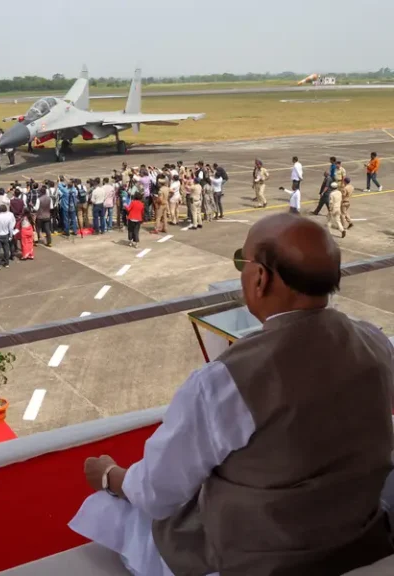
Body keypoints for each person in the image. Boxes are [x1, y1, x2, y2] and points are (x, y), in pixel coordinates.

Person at [70, 213, 394, 576]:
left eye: (244, 260)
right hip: (357, 540)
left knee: (114, 508)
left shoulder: (225, 382)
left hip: (260, 559)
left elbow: (156, 494)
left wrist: (109, 475)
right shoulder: (376, 344)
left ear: (260, 278)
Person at [0, 204, 15, 270]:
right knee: (6, 249)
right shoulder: (9, 217)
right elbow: (10, 228)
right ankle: (6, 263)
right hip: (6, 235)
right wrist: (11, 235)